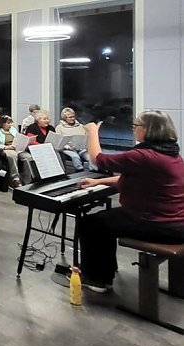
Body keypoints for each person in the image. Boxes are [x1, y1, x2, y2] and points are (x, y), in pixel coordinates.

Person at [78, 111, 184, 292]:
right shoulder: (171, 154)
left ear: (148, 130)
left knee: (90, 224)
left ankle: (97, 280)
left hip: (161, 226)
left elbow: (98, 160)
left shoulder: (144, 156)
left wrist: (93, 131)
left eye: (136, 126)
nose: (134, 129)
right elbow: (134, 179)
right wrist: (98, 181)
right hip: (174, 223)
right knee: (104, 221)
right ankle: (105, 270)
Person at [0, 116, 24, 188]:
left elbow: (18, 138)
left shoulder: (13, 130)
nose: (10, 125)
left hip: (15, 147)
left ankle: (27, 179)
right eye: (8, 123)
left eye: (11, 123)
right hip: (5, 148)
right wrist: (5, 147)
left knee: (27, 157)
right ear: (2, 123)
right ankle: (15, 178)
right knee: (12, 155)